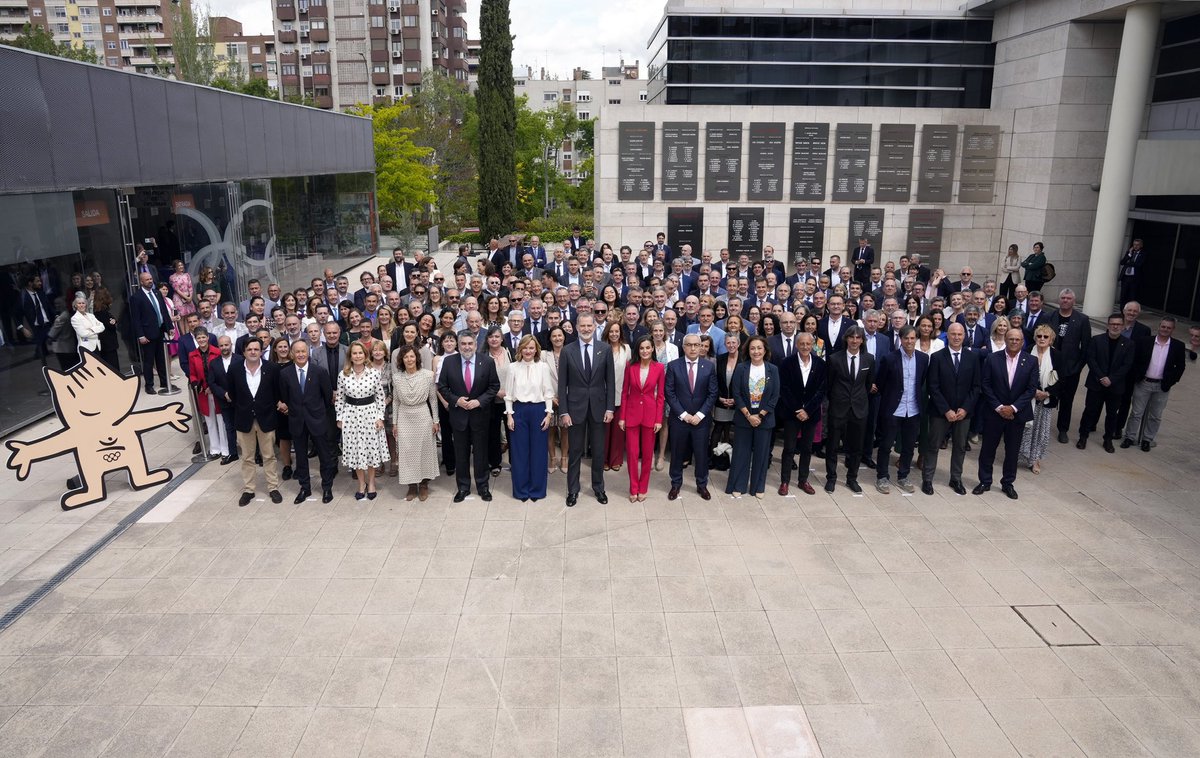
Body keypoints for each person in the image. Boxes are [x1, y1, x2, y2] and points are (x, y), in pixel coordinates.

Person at [557, 313, 616, 507]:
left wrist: (610, 408)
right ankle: (573, 490)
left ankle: (598, 487)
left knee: (598, 451)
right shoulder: (567, 351)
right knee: (574, 451)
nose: (586, 329)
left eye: (589, 325)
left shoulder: (605, 349)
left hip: (599, 408)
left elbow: (610, 381)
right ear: (576, 327)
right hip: (575, 408)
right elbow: (562, 384)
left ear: (594, 327)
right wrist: (564, 412)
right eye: (582, 326)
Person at [975, 328, 1039, 499]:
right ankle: (985, 481)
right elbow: (986, 384)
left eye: (1017, 339)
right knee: (988, 449)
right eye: (1010, 339)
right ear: (1005, 339)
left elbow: (1031, 388)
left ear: (1022, 341)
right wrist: (999, 407)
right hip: (994, 412)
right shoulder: (992, 358)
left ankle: (1008, 483)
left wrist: (1013, 408)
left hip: (1017, 415)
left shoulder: (1031, 361)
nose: (1014, 342)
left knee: (1012, 451)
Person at [437, 332, 501, 502]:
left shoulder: (487, 362)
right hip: (459, 417)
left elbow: (494, 386)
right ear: (458, 345)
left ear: (475, 344)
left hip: (480, 416)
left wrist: (479, 402)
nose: (466, 347)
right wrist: (456, 400)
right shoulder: (449, 362)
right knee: (461, 454)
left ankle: (483, 486)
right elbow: (442, 386)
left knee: (481, 453)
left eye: (470, 343)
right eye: (463, 343)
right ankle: (463, 487)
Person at [277, 340, 336, 504]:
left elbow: (327, 396)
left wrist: (317, 411)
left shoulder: (319, 371)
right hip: (297, 421)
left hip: (317, 419)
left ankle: (326, 488)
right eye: (297, 352)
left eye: (303, 351)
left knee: (325, 456)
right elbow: (286, 397)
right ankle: (305, 488)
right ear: (292, 354)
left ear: (308, 352)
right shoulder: (285, 373)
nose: (301, 354)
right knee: (301, 458)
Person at [227, 338, 282, 506]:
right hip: (244, 420)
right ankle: (249, 489)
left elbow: (276, 392)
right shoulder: (235, 369)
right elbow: (232, 393)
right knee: (247, 457)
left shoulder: (271, 369)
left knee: (269, 456)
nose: (252, 352)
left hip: (266, 418)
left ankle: (273, 487)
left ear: (261, 351)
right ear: (244, 352)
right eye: (249, 349)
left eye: (256, 349)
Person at [874, 326, 928, 495]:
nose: (909, 342)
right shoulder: (890, 359)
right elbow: (881, 383)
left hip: (913, 409)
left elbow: (922, 382)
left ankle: (903, 475)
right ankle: (882, 476)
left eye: (912, 338)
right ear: (901, 340)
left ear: (916, 339)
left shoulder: (923, 359)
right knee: (886, 445)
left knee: (909, 446)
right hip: (893, 409)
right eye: (906, 338)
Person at [724, 335, 779, 499]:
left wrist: (760, 415)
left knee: (761, 455)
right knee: (741, 453)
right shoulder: (741, 368)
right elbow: (737, 394)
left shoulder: (772, 369)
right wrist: (749, 415)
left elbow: (775, 396)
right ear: (748, 350)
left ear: (765, 350)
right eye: (753, 348)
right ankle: (738, 485)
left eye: (759, 348)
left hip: (765, 419)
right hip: (744, 418)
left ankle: (758, 486)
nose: (756, 351)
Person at [664, 333, 718, 501]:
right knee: (677, 453)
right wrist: (684, 415)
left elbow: (712, 393)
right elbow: (669, 393)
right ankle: (675, 484)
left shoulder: (708, 367)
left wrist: (700, 415)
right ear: (684, 347)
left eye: (697, 345)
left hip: (701, 421)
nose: (693, 348)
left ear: (701, 346)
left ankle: (702, 485)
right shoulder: (673, 366)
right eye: (689, 345)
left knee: (701, 454)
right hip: (680, 419)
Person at [1122, 317, 1187, 452]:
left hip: (1162, 386)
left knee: (1155, 415)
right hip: (1144, 383)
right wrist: (1137, 375)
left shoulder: (1178, 346)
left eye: (1168, 328)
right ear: (1159, 326)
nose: (1165, 329)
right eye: (1163, 326)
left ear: (1173, 329)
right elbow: (1135, 360)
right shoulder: (1145, 342)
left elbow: (1180, 366)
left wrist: (1171, 381)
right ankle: (1129, 437)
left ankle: (1147, 439)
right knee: (1136, 413)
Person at [504, 335, 556, 502]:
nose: (528, 351)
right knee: (519, 453)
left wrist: (548, 414)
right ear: (520, 349)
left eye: (531, 348)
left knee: (539, 452)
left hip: (538, 411)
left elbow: (548, 391)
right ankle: (521, 490)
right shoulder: (512, 367)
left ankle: (537, 490)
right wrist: (510, 416)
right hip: (518, 411)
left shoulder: (543, 367)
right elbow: (509, 394)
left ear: (536, 350)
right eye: (525, 347)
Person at [336, 341, 390, 500]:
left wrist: (380, 417)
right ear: (350, 356)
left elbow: (380, 397)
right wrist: (340, 418)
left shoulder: (373, 373)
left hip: (370, 415)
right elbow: (340, 398)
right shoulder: (343, 375)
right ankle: (361, 484)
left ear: (365, 355)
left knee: (371, 451)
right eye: (354, 353)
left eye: (360, 353)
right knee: (356, 452)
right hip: (351, 416)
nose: (358, 356)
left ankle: (371, 483)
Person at [824, 326, 876, 493]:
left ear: (862, 340)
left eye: (858, 338)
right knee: (832, 446)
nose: (854, 341)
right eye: (852, 337)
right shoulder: (834, 359)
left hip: (859, 409)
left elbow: (868, 385)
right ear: (846, 339)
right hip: (838, 408)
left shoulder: (869, 359)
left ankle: (851, 478)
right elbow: (829, 385)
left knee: (856, 447)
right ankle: (831, 478)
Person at [1077, 313, 1134, 453]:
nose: (1115, 326)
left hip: (1115, 387)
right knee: (1089, 411)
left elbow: (1127, 365)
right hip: (1096, 384)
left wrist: (1112, 379)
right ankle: (1083, 437)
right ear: (1108, 325)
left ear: (1122, 326)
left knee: (1112, 414)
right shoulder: (1096, 340)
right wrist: (1102, 377)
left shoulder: (1129, 344)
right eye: (1113, 324)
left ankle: (1108, 439)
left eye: (1118, 324)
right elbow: (1091, 359)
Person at [777, 332, 825, 496]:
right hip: (792, 414)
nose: (805, 347)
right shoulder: (787, 363)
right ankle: (785, 481)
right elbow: (784, 389)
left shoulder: (820, 363)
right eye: (802, 344)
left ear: (812, 345)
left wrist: (808, 410)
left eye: (808, 344)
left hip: (811, 415)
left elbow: (821, 390)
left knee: (806, 448)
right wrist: (798, 409)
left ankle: (803, 480)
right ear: (797, 345)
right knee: (789, 448)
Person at [619, 336, 665, 501]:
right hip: (631, 414)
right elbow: (625, 393)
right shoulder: (630, 366)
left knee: (647, 454)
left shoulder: (659, 368)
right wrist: (622, 417)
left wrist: (658, 419)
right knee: (632, 453)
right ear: (637, 350)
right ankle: (633, 488)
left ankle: (643, 487)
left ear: (652, 349)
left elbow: (660, 396)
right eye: (641, 348)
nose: (645, 351)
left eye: (648, 348)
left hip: (650, 416)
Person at [392, 344, 440, 501]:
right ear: (401, 359)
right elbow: (396, 401)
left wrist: (436, 420)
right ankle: (411, 485)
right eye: (406, 357)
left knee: (424, 451)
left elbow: (433, 399)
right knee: (407, 452)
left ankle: (424, 484)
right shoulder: (397, 377)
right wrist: (394, 423)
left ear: (417, 358)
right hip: (404, 416)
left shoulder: (428, 375)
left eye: (412, 356)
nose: (409, 359)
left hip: (423, 416)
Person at [1047, 288, 1091, 444]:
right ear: (1059, 300)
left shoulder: (1082, 320)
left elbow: (1086, 347)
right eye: (1063, 298)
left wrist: (1078, 367)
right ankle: (1043, 427)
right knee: (1047, 398)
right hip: (1050, 366)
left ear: (1074, 301)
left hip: (1070, 368)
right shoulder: (1050, 316)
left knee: (1067, 400)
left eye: (1068, 298)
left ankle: (1063, 429)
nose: (1065, 300)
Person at [1019, 324, 1060, 475]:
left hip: (1045, 401)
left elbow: (1063, 380)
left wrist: (1047, 393)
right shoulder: (1028, 351)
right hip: (1027, 398)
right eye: (1039, 336)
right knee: (1024, 428)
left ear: (1051, 340)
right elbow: (1019, 373)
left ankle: (1035, 459)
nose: (1042, 339)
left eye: (1045, 337)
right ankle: (1021, 455)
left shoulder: (1057, 356)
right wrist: (1032, 391)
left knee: (1040, 431)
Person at [130, 270, 173, 394]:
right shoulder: (136, 297)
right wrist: (140, 335)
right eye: (147, 279)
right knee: (149, 361)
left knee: (161, 359)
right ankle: (149, 385)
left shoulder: (157, 293)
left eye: (150, 279)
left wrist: (169, 327)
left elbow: (163, 311)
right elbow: (136, 319)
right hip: (147, 334)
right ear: (141, 282)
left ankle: (164, 382)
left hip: (160, 331)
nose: (150, 281)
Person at [186, 328, 225, 461]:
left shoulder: (217, 352)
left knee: (221, 419)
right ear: (196, 340)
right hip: (203, 392)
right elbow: (192, 373)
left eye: (203, 337)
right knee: (209, 420)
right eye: (199, 338)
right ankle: (215, 448)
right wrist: (194, 382)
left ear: (208, 337)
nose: (201, 340)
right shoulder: (192, 355)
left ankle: (225, 449)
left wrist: (212, 387)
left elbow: (221, 371)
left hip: (216, 390)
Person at [601, 320, 631, 471]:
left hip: (622, 393)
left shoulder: (627, 349)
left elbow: (630, 372)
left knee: (618, 430)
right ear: (607, 332)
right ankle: (604, 459)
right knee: (604, 431)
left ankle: (615, 459)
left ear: (620, 333)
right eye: (611, 331)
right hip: (603, 395)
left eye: (616, 331)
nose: (614, 334)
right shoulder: (600, 348)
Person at [540, 326, 569, 473]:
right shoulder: (544, 355)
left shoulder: (570, 352)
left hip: (567, 398)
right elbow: (540, 378)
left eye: (560, 335)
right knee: (550, 430)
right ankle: (552, 458)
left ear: (564, 337)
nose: (557, 338)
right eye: (554, 336)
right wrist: (550, 397)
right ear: (550, 338)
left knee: (565, 430)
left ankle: (564, 458)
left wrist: (565, 397)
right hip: (548, 399)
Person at [91, 287, 121, 372]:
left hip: (104, 344)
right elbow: (108, 324)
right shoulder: (102, 312)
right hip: (108, 344)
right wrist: (113, 322)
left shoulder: (97, 311)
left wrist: (114, 321)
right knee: (113, 367)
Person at [1117, 238, 1145, 306]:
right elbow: (1122, 262)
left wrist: (1128, 263)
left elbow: (1138, 264)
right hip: (1125, 277)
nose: (1135, 246)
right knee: (1123, 295)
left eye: (1137, 245)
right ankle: (1122, 310)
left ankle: (1130, 309)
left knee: (1132, 296)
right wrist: (1129, 254)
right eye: (1134, 244)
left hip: (1134, 278)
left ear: (1141, 246)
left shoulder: (1143, 254)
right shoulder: (1129, 253)